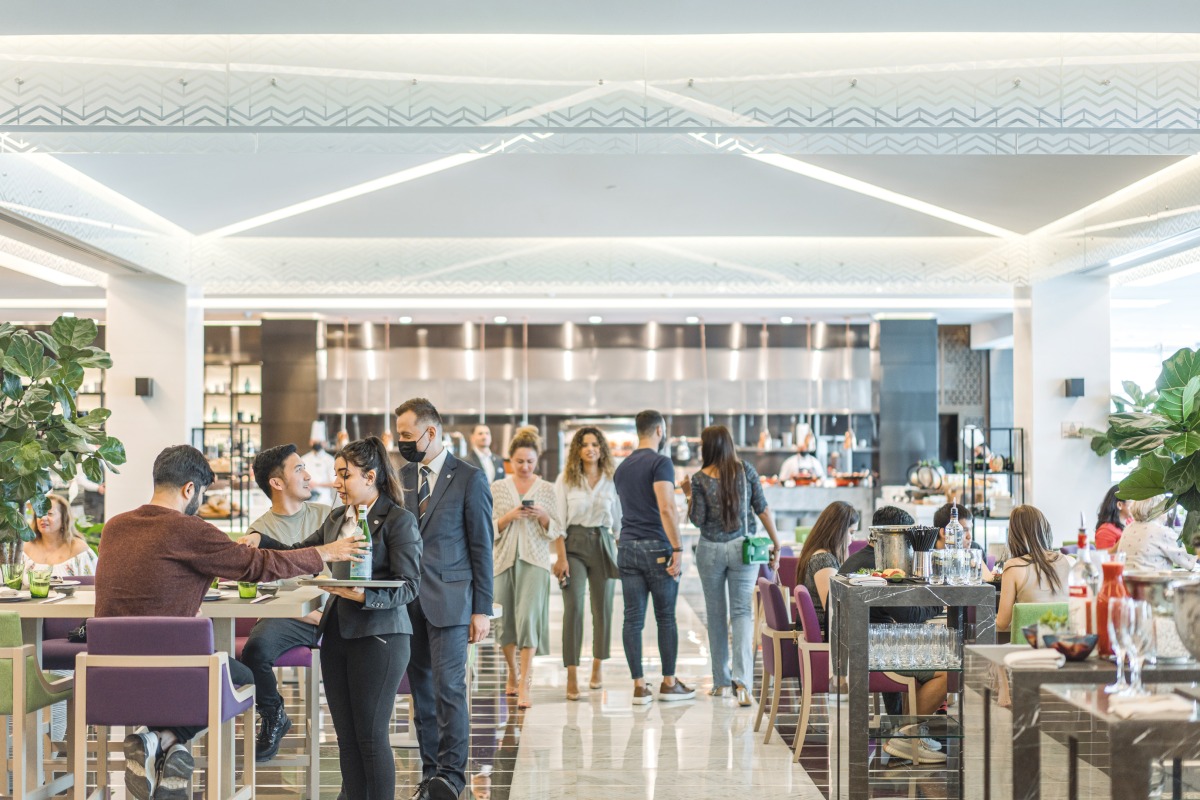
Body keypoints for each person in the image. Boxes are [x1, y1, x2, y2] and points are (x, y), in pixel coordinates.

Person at [95, 445, 365, 800]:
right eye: (202, 494)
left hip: (109, 678)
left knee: (205, 666)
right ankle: (164, 740)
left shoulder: (114, 527)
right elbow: (257, 566)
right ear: (190, 489)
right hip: (173, 674)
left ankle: (158, 743)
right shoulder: (189, 529)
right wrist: (324, 553)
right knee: (242, 677)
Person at [247, 438, 422, 799]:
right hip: (339, 634)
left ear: (370, 476)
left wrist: (364, 595)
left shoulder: (398, 520)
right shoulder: (337, 518)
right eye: (337, 475)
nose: (336, 483)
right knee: (346, 739)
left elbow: (409, 587)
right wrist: (258, 539)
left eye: (344, 475)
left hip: (382, 636)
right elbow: (298, 553)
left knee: (371, 738)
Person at [395, 398, 494, 800]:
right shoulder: (401, 476)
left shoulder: (469, 478)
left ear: (430, 432)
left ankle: (453, 776)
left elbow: (481, 547)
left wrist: (482, 609)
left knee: (449, 689)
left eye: (406, 435)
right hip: (408, 602)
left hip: (452, 601)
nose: (401, 442)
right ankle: (430, 773)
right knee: (421, 691)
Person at [236, 444, 332, 762]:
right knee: (255, 651)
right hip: (294, 617)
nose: (308, 476)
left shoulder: (328, 516)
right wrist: (312, 615)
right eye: (299, 469)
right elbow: (271, 593)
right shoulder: (259, 531)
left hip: (337, 612)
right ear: (277, 483)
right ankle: (274, 713)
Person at [683, 424, 781, 706]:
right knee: (742, 614)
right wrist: (776, 542)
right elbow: (761, 507)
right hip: (743, 550)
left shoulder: (700, 478)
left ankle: (721, 682)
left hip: (710, 550)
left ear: (707, 447)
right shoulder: (746, 471)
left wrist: (689, 494)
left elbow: (697, 520)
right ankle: (744, 684)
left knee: (715, 614)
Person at [839, 505, 947, 740]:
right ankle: (906, 735)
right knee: (948, 671)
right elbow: (909, 615)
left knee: (922, 657)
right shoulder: (885, 567)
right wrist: (941, 602)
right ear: (893, 536)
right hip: (876, 652)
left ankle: (910, 733)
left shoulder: (855, 561)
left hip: (856, 649)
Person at [613, 409, 695, 704]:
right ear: (659, 431)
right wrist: (677, 548)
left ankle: (638, 686)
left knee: (632, 619)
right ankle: (669, 683)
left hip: (628, 547)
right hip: (657, 547)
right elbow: (666, 507)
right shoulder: (661, 462)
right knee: (665, 618)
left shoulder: (622, 467)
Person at [490, 426, 563, 708]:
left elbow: (557, 529)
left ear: (537, 460)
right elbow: (488, 528)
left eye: (530, 461)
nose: (525, 466)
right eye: (520, 461)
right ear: (510, 460)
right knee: (504, 622)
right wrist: (509, 516)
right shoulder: (497, 488)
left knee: (528, 620)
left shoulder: (546, 489)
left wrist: (543, 516)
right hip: (502, 561)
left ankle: (525, 683)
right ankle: (512, 671)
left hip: (535, 561)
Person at [554, 426, 621, 701]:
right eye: (585, 444)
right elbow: (558, 522)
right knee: (574, 609)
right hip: (575, 546)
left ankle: (598, 665)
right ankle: (572, 674)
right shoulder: (566, 479)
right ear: (577, 450)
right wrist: (560, 557)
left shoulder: (612, 479)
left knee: (603, 608)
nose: (590, 448)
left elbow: (618, 521)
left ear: (602, 448)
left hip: (604, 543)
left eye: (595, 444)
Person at [996, 505, 1073, 633]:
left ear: (1014, 536)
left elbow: (1002, 623)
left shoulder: (1013, 567)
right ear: (1045, 529)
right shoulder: (1071, 561)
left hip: (1028, 647)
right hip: (1065, 645)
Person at [794, 501, 858, 638]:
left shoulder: (818, 554)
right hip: (823, 638)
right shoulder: (824, 560)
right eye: (851, 532)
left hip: (817, 636)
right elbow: (834, 611)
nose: (853, 539)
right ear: (838, 530)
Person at [1117, 496, 1198, 573]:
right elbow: (1189, 561)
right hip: (1153, 585)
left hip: (1127, 584)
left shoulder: (1128, 529)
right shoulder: (1161, 532)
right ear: (1159, 509)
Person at [24, 493, 96, 578]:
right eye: (40, 513)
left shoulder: (78, 549)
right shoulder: (25, 548)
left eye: (50, 513)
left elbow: (93, 587)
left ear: (64, 518)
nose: (43, 518)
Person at [303, 436, 337, 506]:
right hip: (307, 502)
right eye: (314, 441)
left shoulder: (330, 460)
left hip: (325, 501)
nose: (317, 444)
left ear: (324, 443)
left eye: (319, 442)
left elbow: (335, 483)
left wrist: (317, 484)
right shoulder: (303, 459)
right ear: (310, 442)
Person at [1094, 485, 1130, 551]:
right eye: (1132, 501)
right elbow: (1105, 558)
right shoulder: (1106, 531)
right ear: (1120, 505)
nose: (1135, 504)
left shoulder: (1130, 522)